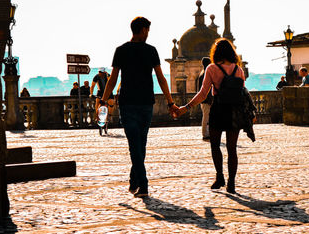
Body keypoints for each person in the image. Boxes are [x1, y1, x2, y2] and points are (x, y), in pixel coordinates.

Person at [98, 17, 178, 198]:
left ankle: (135, 179)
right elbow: (160, 78)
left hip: (130, 103)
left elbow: (113, 79)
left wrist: (104, 99)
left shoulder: (121, 51)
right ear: (142, 30)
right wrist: (170, 102)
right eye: (147, 30)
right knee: (138, 145)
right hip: (143, 103)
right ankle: (143, 184)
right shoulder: (151, 51)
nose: (148, 34)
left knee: (138, 145)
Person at [175, 38, 256, 194]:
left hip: (218, 109)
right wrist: (250, 113)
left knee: (215, 145)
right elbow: (243, 93)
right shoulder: (238, 70)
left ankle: (220, 177)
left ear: (216, 53)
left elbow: (203, 93)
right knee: (232, 149)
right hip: (235, 111)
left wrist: (187, 107)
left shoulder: (212, 68)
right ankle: (231, 183)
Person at [198, 57, 213, 140]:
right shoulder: (204, 74)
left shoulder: (202, 74)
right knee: (206, 117)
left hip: (203, 100)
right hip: (206, 100)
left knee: (207, 117)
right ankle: (205, 134)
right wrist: (209, 99)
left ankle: (207, 133)